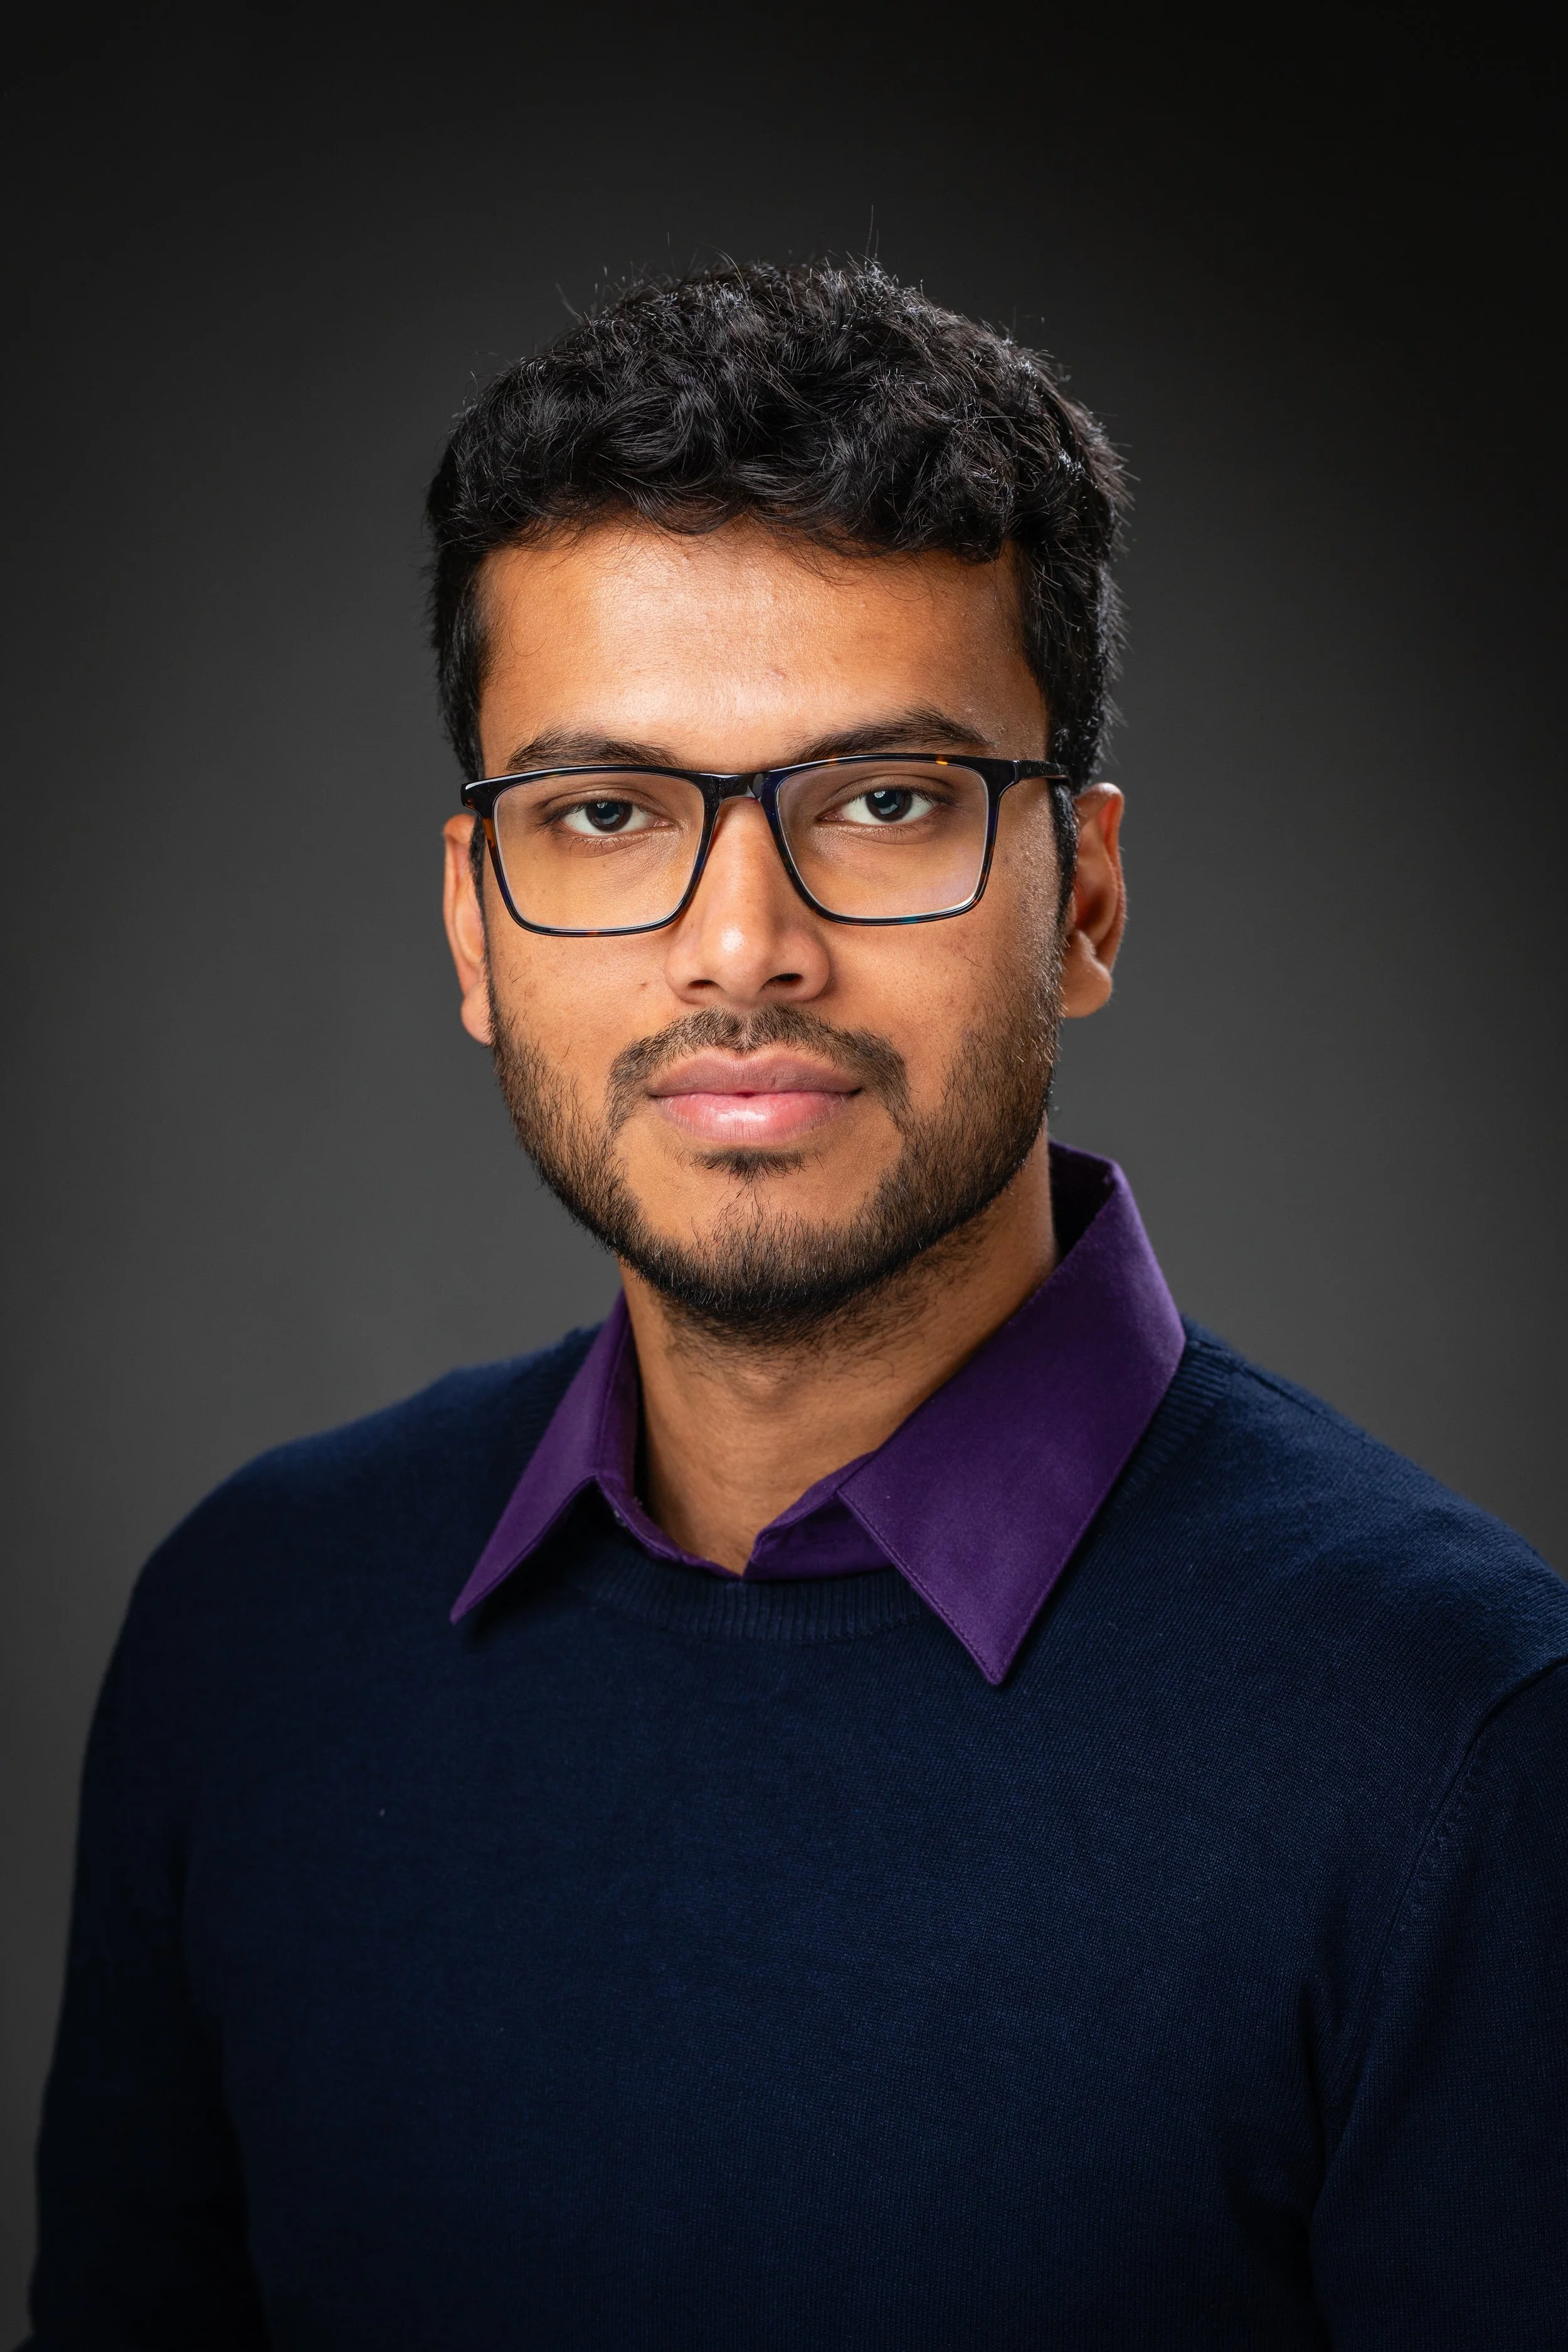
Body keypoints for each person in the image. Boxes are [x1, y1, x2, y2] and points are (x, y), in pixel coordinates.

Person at [25, 260, 1568, 2351]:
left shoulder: (1459, 1737)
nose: (740, 949)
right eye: (602, 813)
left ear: (1082, 900)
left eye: (883, 801)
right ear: (477, 927)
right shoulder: (249, 1630)